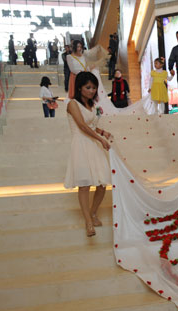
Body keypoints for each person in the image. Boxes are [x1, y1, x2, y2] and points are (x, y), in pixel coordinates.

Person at [64, 72, 113, 237]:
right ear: (79, 87)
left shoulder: (92, 106)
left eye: (94, 88)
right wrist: (100, 139)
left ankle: (93, 212)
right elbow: (83, 127)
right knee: (84, 185)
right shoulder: (72, 104)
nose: (92, 91)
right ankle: (88, 221)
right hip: (81, 144)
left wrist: (103, 132)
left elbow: (91, 126)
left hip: (93, 144)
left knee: (102, 183)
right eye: (88, 87)